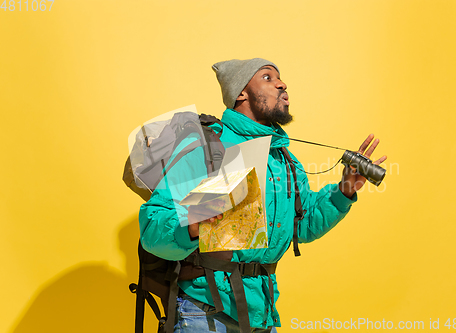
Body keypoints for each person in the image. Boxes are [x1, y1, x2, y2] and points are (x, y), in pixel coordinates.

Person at [139, 58, 387, 333]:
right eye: (268, 78)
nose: (282, 84)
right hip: (205, 315)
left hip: (262, 316)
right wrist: (194, 221)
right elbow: (152, 228)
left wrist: (344, 192)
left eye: (280, 78)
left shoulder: (285, 162)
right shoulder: (206, 146)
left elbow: (301, 226)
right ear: (241, 93)